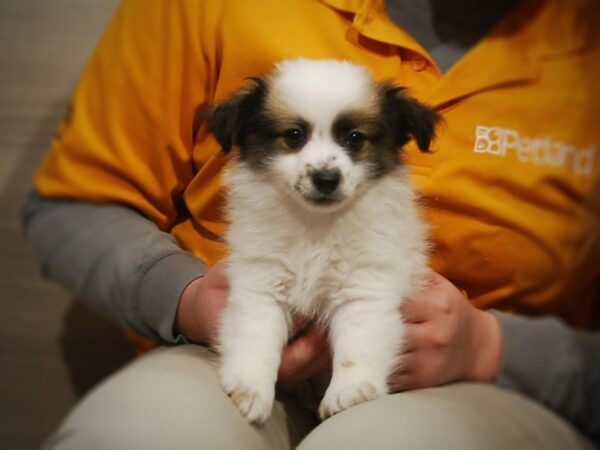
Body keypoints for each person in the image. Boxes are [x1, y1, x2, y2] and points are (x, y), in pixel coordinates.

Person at [24, 0, 600, 448]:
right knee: (140, 433)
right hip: (215, 355)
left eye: (352, 140)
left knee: (389, 442)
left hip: (475, 393)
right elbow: (75, 205)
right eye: (295, 137)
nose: (324, 165)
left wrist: (496, 347)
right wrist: (187, 298)